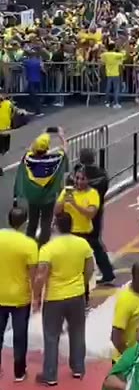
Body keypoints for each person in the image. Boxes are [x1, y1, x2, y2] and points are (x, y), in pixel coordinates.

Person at [34, 212, 94, 386]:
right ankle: (78, 368)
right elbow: (90, 268)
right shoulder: (82, 244)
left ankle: (50, 375)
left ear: (55, 226)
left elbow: (41, 276)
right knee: (77, 331)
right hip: (76, 295)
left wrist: (37, 297)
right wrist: (81, 284)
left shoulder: (48, 248)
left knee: (51, 336)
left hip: (54, 298)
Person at [0, 206, 38, 381]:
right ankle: (19, 371)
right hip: (20, 298)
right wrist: (36, 297)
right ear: (25, 223)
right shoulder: (29, 244)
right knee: (20, 335)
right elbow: (33, 275)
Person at [54, 164, 100, 305]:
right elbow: (56, 211)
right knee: (66, 267)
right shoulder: (67, 192)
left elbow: (91, 213)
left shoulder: (92, 194)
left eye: (82, 179)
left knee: (82, 270)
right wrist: (63, 200)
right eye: (77, 178)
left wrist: (74, 204)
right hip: (68, 234)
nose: (79, 181)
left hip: (83, 236)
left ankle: (83, 297)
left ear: (88, 180)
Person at [14, 130, 68, 246]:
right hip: (48, 198)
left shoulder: (28, 159)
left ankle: (28, 244)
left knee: (32, 222)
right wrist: (62, 137)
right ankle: (43, 246)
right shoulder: (54, 160)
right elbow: (64, 149)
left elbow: (29, 149)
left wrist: (40, 137)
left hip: (33, 197)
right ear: (47, 148)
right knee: (46, 222)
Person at [77, 148, 115, 286]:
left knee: (86, 244)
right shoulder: (102, 175)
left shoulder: (78, 176)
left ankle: (106, 271)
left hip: (79, 214)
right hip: (97, 212)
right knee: (95, 241)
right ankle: (107, 271)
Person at [111, 264, 139, 362]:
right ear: (136, 277)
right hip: (128, 362)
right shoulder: (125, 300)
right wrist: (131, 358)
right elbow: (116, 337)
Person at [101, 42, 125, 109]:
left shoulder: (104, 55)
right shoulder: (117, 55)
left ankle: (107, 102)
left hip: (108, 73)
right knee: (116, 89)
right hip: (116, 73)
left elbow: (102, 64)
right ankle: (116, 103)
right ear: (114, 48)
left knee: (108, 88)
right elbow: (123, 54)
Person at [22, 48, 45, 116]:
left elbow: (21, 62)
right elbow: (43, 71)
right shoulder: (39, 62)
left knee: (33, 96)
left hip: (31, 81)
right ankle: (35, 110)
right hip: (38, 80)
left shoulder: (27, 61)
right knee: (35, 96)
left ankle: (38, 111)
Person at [0, 90, 14, 177]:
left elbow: (12, 114)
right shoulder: (8, 104)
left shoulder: (8, 104)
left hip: (6, 130)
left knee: (4, 150)